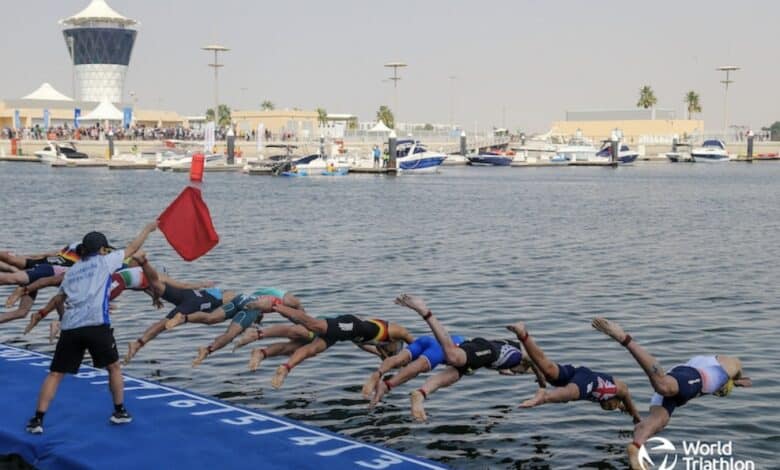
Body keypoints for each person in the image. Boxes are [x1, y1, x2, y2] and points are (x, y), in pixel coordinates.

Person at [25, 222, 157, 434]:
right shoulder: (105, 262)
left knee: (55, 374)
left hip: (71, 328)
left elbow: (58, 299)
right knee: (113, 367)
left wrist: (61, 319)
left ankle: (37, 420)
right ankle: (119, 411)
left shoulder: (72, 271)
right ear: (102, 249)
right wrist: (148, 229)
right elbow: (133, 248)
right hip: (97, 325)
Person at [592, 317, 752, 470]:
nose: (720, 392)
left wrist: (736, 382)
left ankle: (636, 447)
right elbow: (736, 368)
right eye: (723, 391)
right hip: (691, 378)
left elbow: (728, 379)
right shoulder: (726, 367)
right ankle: (624, 338)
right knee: (663, 385)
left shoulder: (712, 370)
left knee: (658, 421)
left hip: (681, 382)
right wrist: (737, 378)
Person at [394, 294, 542, 422]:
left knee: (449, 377)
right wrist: (542, 384)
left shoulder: (512, 363)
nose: (517, 373)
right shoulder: (525, 355)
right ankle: (424, 311)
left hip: (481, 356)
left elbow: (508, 369)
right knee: (452, 356)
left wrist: (521, 373)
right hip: (486, 350)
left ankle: (420, 394)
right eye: (520, 372)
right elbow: (538, 366)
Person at [508, 322, 641, 423]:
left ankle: (522, 335)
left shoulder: (610, 399)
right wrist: (637, 418)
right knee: (570, 394)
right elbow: (629, 402)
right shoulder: (620, 389)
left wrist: (626, 411)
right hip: (588, 380)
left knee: (548, 370)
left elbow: (623, 407)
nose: (607, 407)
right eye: (610, 407)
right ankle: (543, 397)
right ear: (617, 401)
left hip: (576, 374)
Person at [268, 303, 414, 389]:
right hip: (350, 324)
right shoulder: (397, 332)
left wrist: (385, 358)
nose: (392, 354)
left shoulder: (378, 347)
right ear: (397, 344)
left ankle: (286, 368)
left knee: (311, 350)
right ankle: (276, 306)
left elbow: (361, 344)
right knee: (313, 324)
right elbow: (415, 344)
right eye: (395, 352)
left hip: (346, 334)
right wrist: (415, 357)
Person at [123, 256, 230, 364]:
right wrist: (201, 284)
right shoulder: (158, 278)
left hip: (194, 298)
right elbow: (184, 285)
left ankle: (138, 344)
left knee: (162, 325)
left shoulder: (145, 282)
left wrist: (155, 299)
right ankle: (138, 344)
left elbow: (149, 288)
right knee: (209, 317)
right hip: (194, 298)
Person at [183, 288, 302, 367]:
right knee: (230, 335)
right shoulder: (287, 301)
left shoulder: (270, 291)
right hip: (253, 305)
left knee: (211, 318)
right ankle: (207, 350)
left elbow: (258, 316)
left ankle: (184, 317)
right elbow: (293, 311)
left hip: (241, 298)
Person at [362, 333, 466, 409]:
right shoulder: (464, 356)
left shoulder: (460, 343)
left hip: (426, 340)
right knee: (417, 368)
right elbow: (446, 377)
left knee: (399, 359)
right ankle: (385, 386)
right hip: (440, 349)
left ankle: (378, 373)